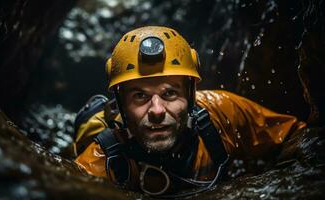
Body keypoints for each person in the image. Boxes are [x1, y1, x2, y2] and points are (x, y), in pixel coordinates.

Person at [72, 26, 305, 198]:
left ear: (191, 94)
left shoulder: (221, 111)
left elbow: (298, 136)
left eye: (170, 93)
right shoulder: (99, 165)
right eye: (139, 96)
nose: (157, 110)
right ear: (121, 104)